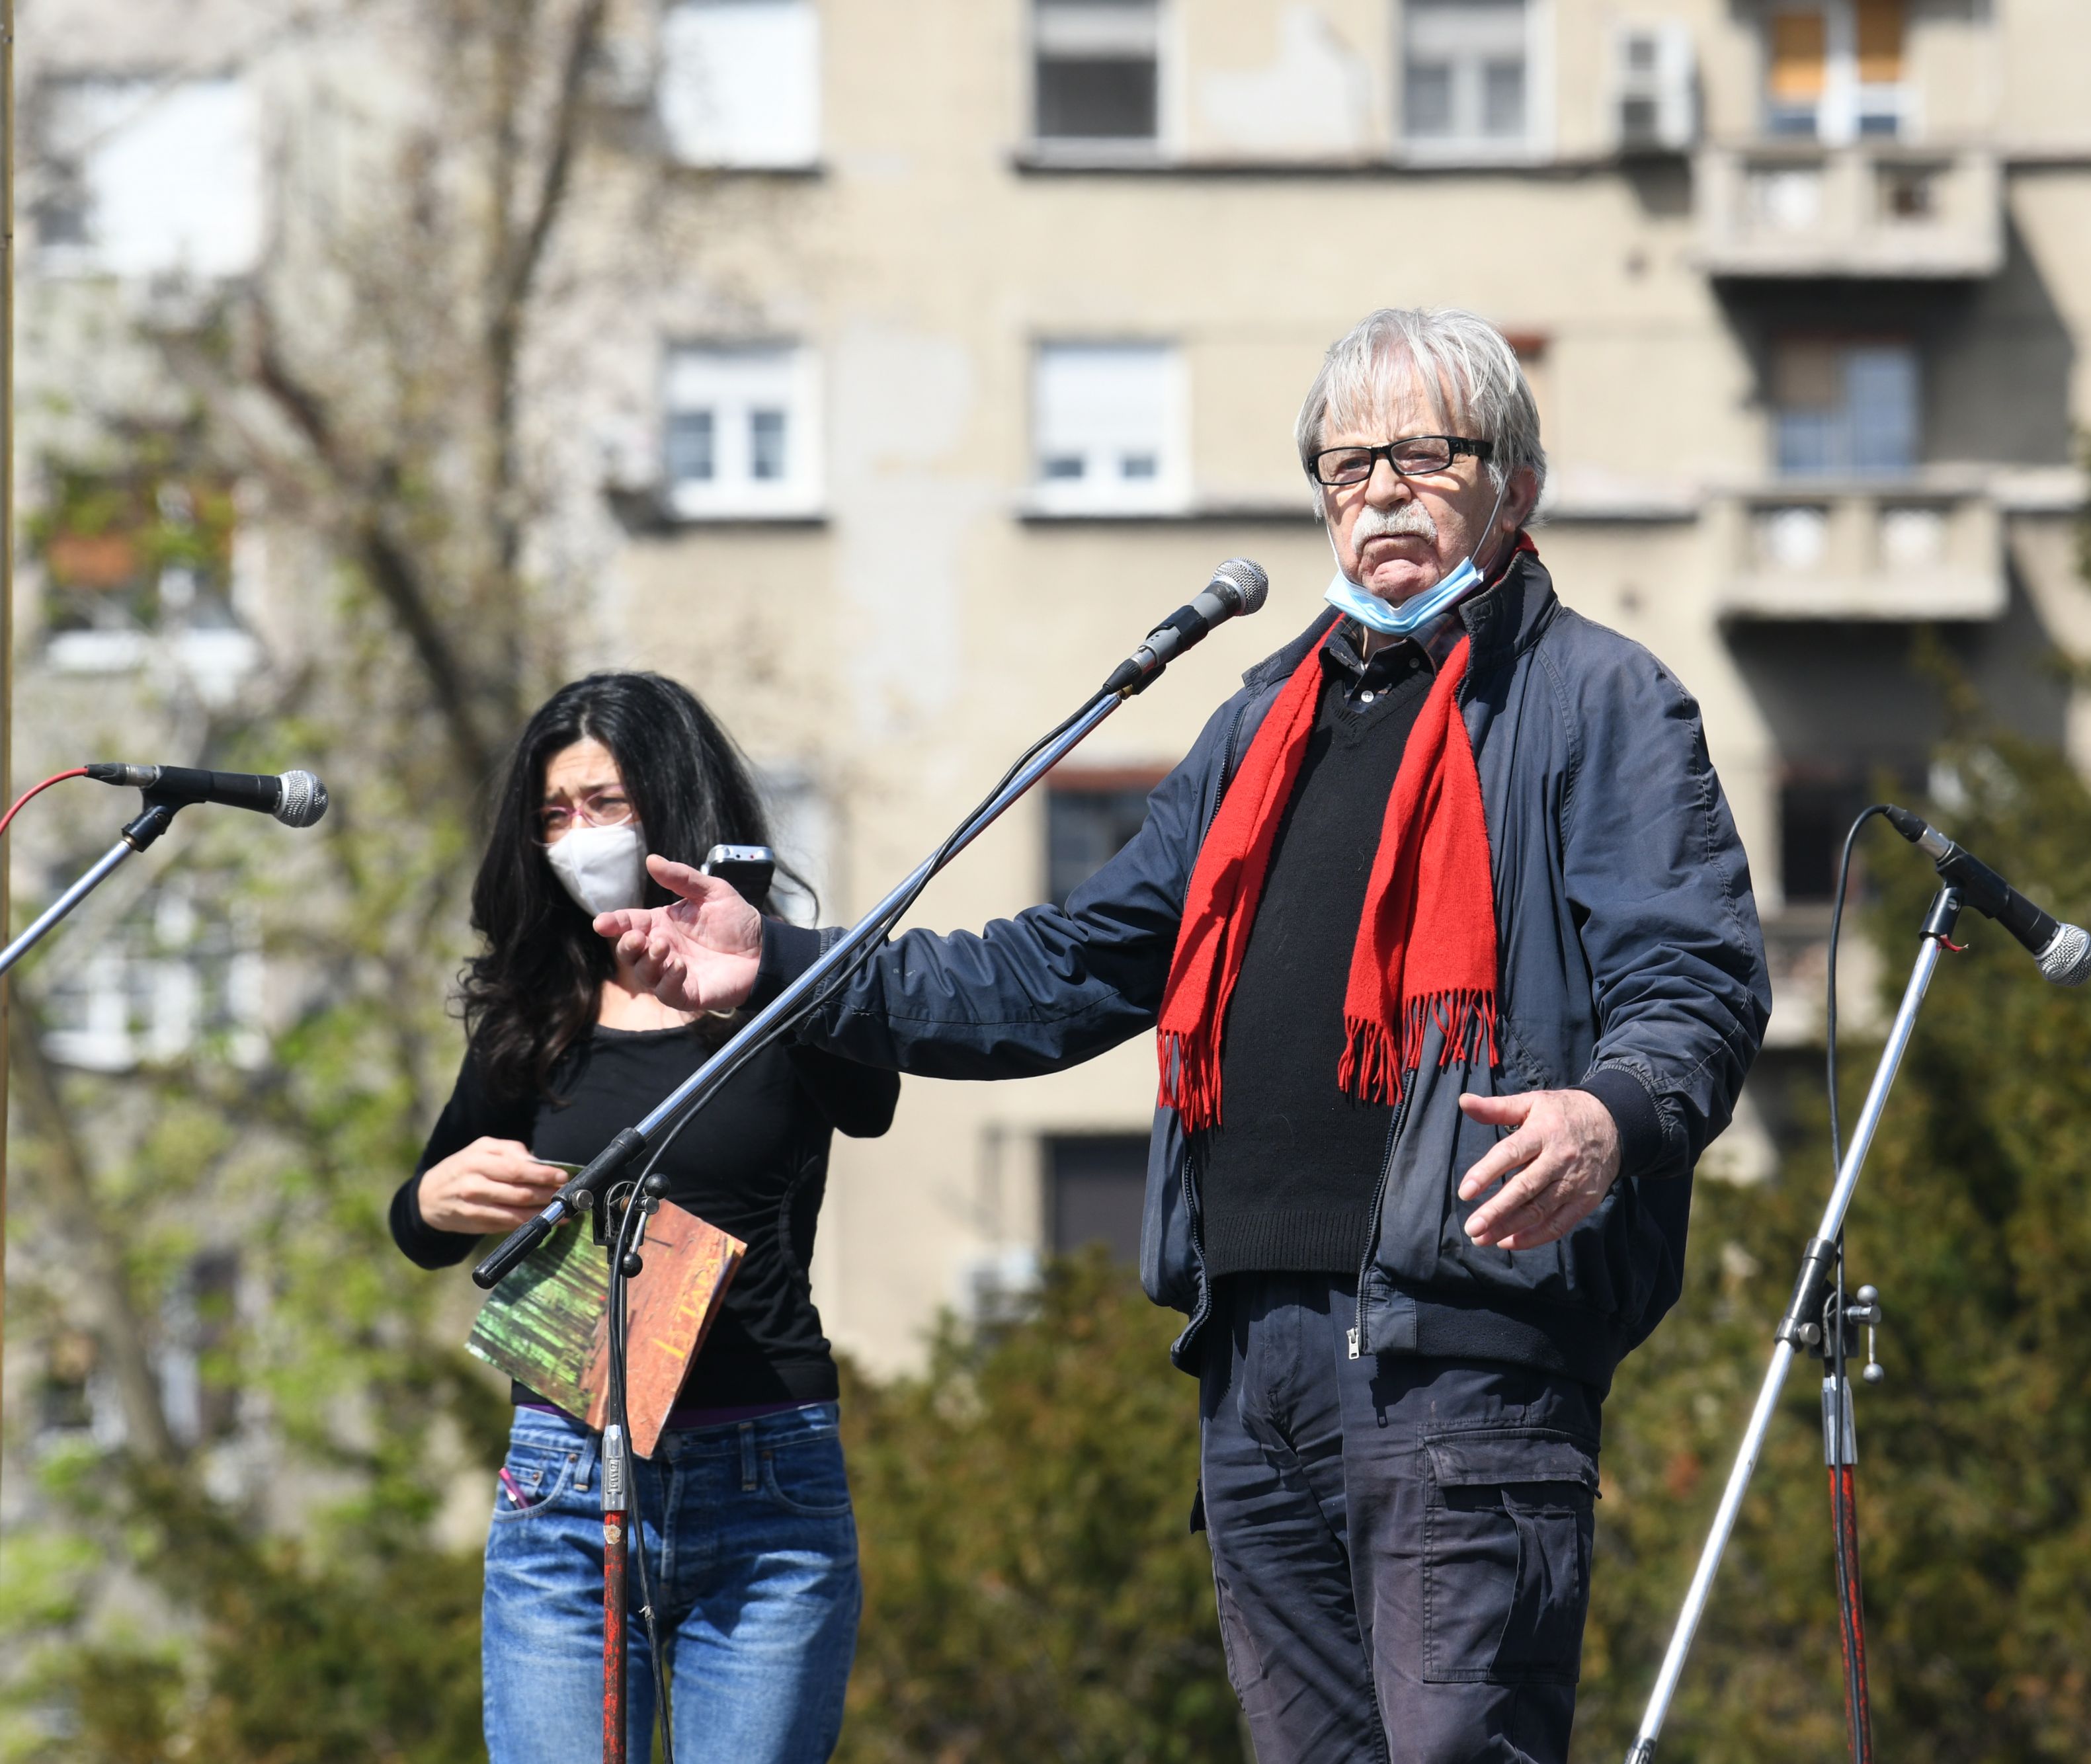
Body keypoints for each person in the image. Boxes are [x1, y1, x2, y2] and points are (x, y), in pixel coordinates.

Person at [599, 308, 1768, 1763]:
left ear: (1512, 482)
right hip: (1247, 1367)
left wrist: (1610, 1115)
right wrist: (777, 962)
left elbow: (1695, 982)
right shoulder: (1257, 715)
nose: (1380, 490)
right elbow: (1065, 970)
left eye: (1422, 452)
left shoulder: (1598, 701)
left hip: (1457, 1355)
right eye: (1345, 464)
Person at [388, 672, 893, 1764]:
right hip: (566, 1476)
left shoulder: (784, 979)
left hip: (765, 1475)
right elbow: (425, 1219)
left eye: (605, 804)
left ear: (675, 802)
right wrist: (432, 1198)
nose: (577, 837)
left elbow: (874, 1101)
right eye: (554, 816)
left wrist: (761, 971)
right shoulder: (538, 1005)